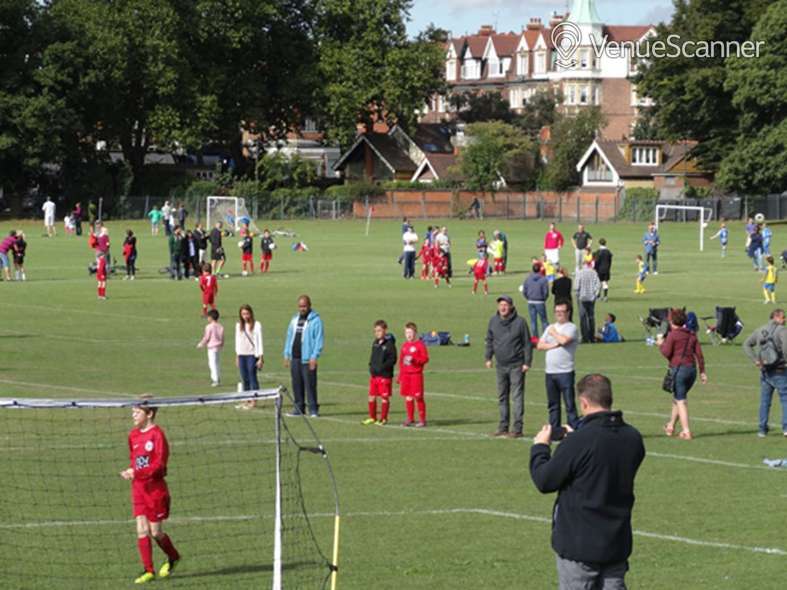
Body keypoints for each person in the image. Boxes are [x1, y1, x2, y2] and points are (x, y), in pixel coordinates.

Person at [530, 374, 645, 590]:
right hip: (616, 541)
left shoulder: (580, 441)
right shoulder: (633, 437)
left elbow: (544, 480)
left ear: (583, 402)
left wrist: (540, 448)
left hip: (580, 544)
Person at [120, 402, 181, 584]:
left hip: (155, 490)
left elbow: (159, 466)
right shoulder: (133, 435)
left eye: (137, 412)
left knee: (155, 532)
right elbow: (135, 460)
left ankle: (174, 557)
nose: (133, 416)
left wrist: (136, 472)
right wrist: (131, 470)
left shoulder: (157, 435)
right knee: (141, 529)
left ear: (149, 414)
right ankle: (148, 570)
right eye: (133, 412)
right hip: (138, 488)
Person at [485, 296, 532, 438]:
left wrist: (527, 362)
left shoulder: (520, 322)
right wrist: (488, 357)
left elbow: (527, 343)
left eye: (505, 305)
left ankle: (517, 428)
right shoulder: (493, 321)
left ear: (511, 306)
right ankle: (503, 426)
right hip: (500, 365)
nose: (503, 307)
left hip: (517, 365)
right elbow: (489, 340)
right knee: (502, 396)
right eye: (501, 305)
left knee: (517, 397)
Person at [658, 308, 707, 440]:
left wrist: (660, 344)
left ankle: (686, 431)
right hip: (692, 370)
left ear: (672, 321)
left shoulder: (673, 335)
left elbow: (666, 353)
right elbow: (700, 355)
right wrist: (702, 372)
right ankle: (671, 426)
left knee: (681, 401)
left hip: (679, 370)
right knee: (678, 398)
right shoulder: (692, 335)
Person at [742, 308, 787, 437]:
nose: (785, 320)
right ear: (776, 317)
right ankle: (785, 428)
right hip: (780, 370)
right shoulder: (782, 330)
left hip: (765, 370)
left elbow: (746, 344)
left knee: (765, 401)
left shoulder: (760, 330)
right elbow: (785, 346)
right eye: (783, 317)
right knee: (785, 399)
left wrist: (756, 359)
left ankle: (762, 429)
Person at [537, 301, 580, 433]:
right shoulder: (550, 327)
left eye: (562, 312)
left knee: (569, 404)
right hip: (550, 372)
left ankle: (573, 429)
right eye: (557, 312)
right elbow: (539, 345)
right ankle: (555, 431)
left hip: (565, 371)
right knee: (553, 405)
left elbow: (564, 340)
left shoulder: (571, 327)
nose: (559, 314)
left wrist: (554, 334)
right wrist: (554, 345)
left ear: (568, 313)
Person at [283, 295, 324, 417]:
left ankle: (313, 409)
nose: (302, 308)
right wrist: (286, 354)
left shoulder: (316, 320)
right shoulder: (294, 319)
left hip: (308, 358)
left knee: (310, 384)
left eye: (304, 306)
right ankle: (299, 408)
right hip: (295, 357)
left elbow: (318, 340)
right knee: (296, 384)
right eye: (300, 306)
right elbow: (289, 337)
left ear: (309, 305)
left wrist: (314, 356)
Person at [363, 320, 397, 426]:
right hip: (374, 375)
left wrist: (383, 368)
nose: (377, 333)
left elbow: (393, 359)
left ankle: (383, 419)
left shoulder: (390, 344)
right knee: (371, 396)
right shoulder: (375, 343)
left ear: (385, 331)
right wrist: (371, 366)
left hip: (384, 376)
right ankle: (372, 417)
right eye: (375, 331)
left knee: (384, 397)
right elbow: (373, 357)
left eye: (379, 331)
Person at [398, 322, 429, 427]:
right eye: (407, 332)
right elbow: (401, 362)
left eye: (410, 332)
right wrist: (400, 376)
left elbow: (425, 359)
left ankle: (422, 420)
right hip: (406, 375)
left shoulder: (420, 345)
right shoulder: (404, 346)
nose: (409, 335)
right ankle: (410, 418)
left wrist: (415, 360)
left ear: (415, 333)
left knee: (418, 397)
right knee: (408, 397)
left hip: (416, 375)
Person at [235, 304, 264, 408]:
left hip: (252, 355)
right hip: (242, 354)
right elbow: (237, 341)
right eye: (243, 314)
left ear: (251, 313)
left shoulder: (257, 325)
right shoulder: (239, 325)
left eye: (247, 313)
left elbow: (260, 341)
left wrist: (261, 357)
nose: (245, 316)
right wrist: (237, 356)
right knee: (244, 378)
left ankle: (254, 400)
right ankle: (246, 399)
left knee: (252, 377)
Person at [575, 261, 601, 344]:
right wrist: (596, 295)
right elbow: (598, 285)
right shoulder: (594, 273)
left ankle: (585, 337)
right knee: (591, 317)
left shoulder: (579, 273)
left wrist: (577, 295)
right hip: (591, 298)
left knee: (583, 318)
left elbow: (576, 286)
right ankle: (591, 337)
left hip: (582, 298)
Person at [197, 309, 224, 387]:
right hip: (218, 347)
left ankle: (215, 380)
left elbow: (206, 337)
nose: (207, 319)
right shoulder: (220, 326)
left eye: (208, 317)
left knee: (212, 364)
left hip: (212, 348)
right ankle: (218, 378)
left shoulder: (209, 327)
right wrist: (222, 344)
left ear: (211, 318)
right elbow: (222, 337)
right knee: (217, 363)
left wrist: (201, 344)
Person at [522, 263, 549, 338]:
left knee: (533, 321)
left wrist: (528, 297)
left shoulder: (528, 279)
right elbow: (546, 292)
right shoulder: (543, 279)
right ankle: (545, 337)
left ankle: (535, 338)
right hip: (540, 301)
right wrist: (543, 298)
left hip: (531, 301)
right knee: (544, 320)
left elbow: (524, 291)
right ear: (540, 269)